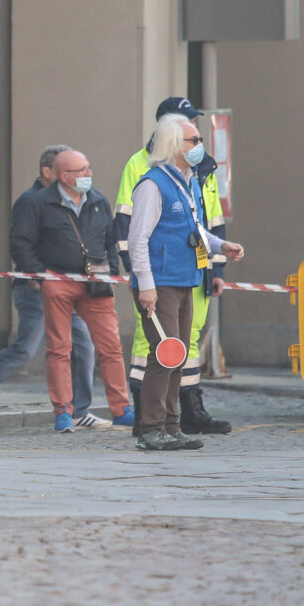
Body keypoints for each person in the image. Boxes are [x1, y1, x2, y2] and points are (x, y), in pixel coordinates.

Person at [113, 96, 233, 435]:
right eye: (193, 140)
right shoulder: (151, 180)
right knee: (161, 355)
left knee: (178, 355)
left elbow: (199, 229)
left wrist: (221, 250)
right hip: (161, 279)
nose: (200, 145)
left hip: (188, 277)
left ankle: (171, 425)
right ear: (173, 143)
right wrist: (144, 282)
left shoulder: (191, 179)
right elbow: (135, 236)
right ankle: (150, 427)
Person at [0, 146, 99, 421]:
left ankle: (79, 410)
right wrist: (37, 276)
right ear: (47, 172)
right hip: (37, 289)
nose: (77, 177)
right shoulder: (31, 201)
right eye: (66, 171)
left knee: (84, 346)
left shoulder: (74, 200)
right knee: (25, 349)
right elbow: (20, 244)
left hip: (70, 288)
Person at [10, 148, 133, 433]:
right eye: (82, 171)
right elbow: (21, 242)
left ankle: (121, 408)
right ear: (63, 176)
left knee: (110, 346)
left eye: (88, 168)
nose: (88, 174)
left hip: (96, 282)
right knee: (59, 348)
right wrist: (41, 277)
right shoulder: (39, 202)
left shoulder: (98, 200)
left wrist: (112, 271)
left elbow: (109, 238)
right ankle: (63, 411)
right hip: (58, 281)